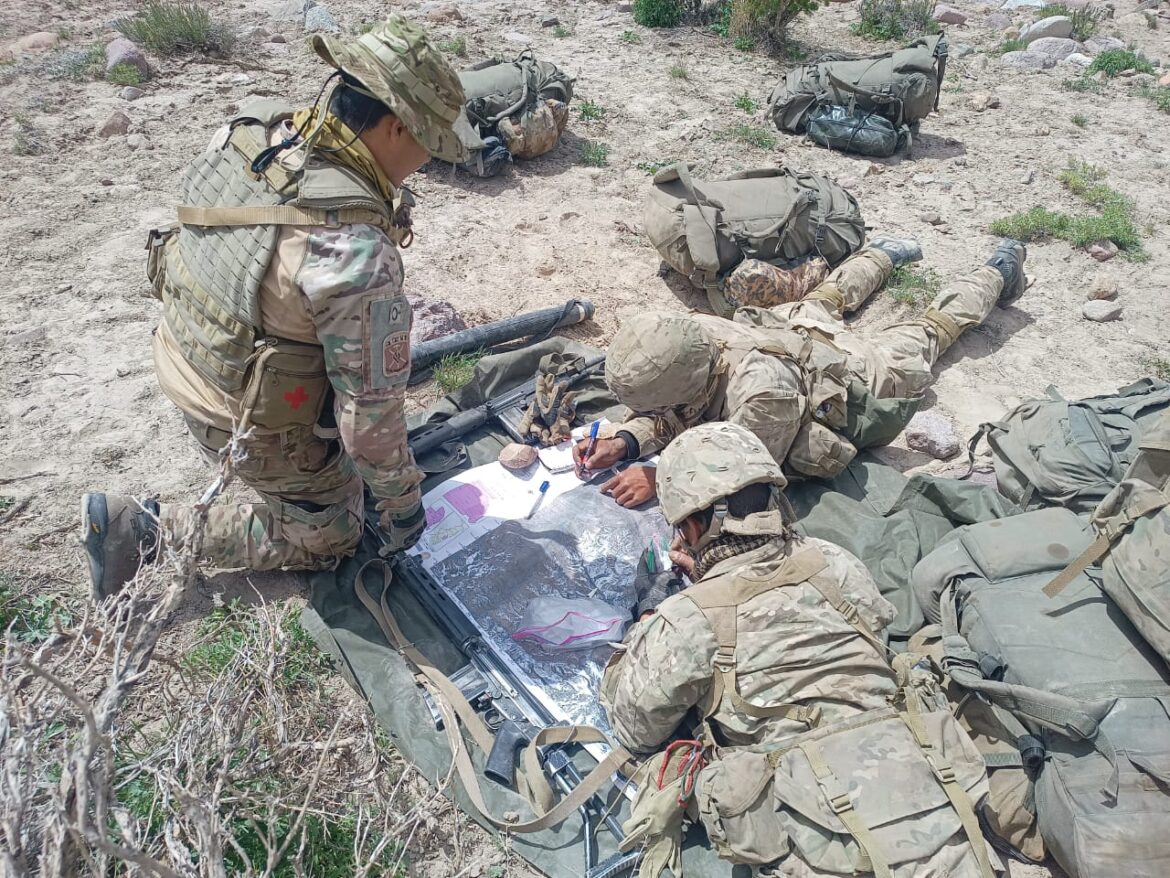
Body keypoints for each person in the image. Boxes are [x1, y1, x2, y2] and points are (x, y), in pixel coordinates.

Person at [80, 17, 471, 599]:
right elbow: (368, 425)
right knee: (335, 531)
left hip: (185, 354)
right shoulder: (354, 252)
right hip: (237, 416)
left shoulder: (257, 129)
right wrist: (402, 505)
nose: (425, 162)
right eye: (427, 144)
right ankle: (144, 532)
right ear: (392, 128)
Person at [576, 237, 1028, 507]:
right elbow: (678, 409)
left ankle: (997, 272)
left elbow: (741, 473)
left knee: (927, 333)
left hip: (852, 373)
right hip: (789, 329)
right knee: (823, 302)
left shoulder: (761, 397)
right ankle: (881, 254)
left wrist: (659, 478)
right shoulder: (684, 337)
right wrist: (626, 441)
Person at [600, 421, 898, 754]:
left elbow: (634, 731)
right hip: (910, 757)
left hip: (799, 792)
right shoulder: (831, 560)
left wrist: (649, 622)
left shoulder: (685, 622)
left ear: (692, 528)